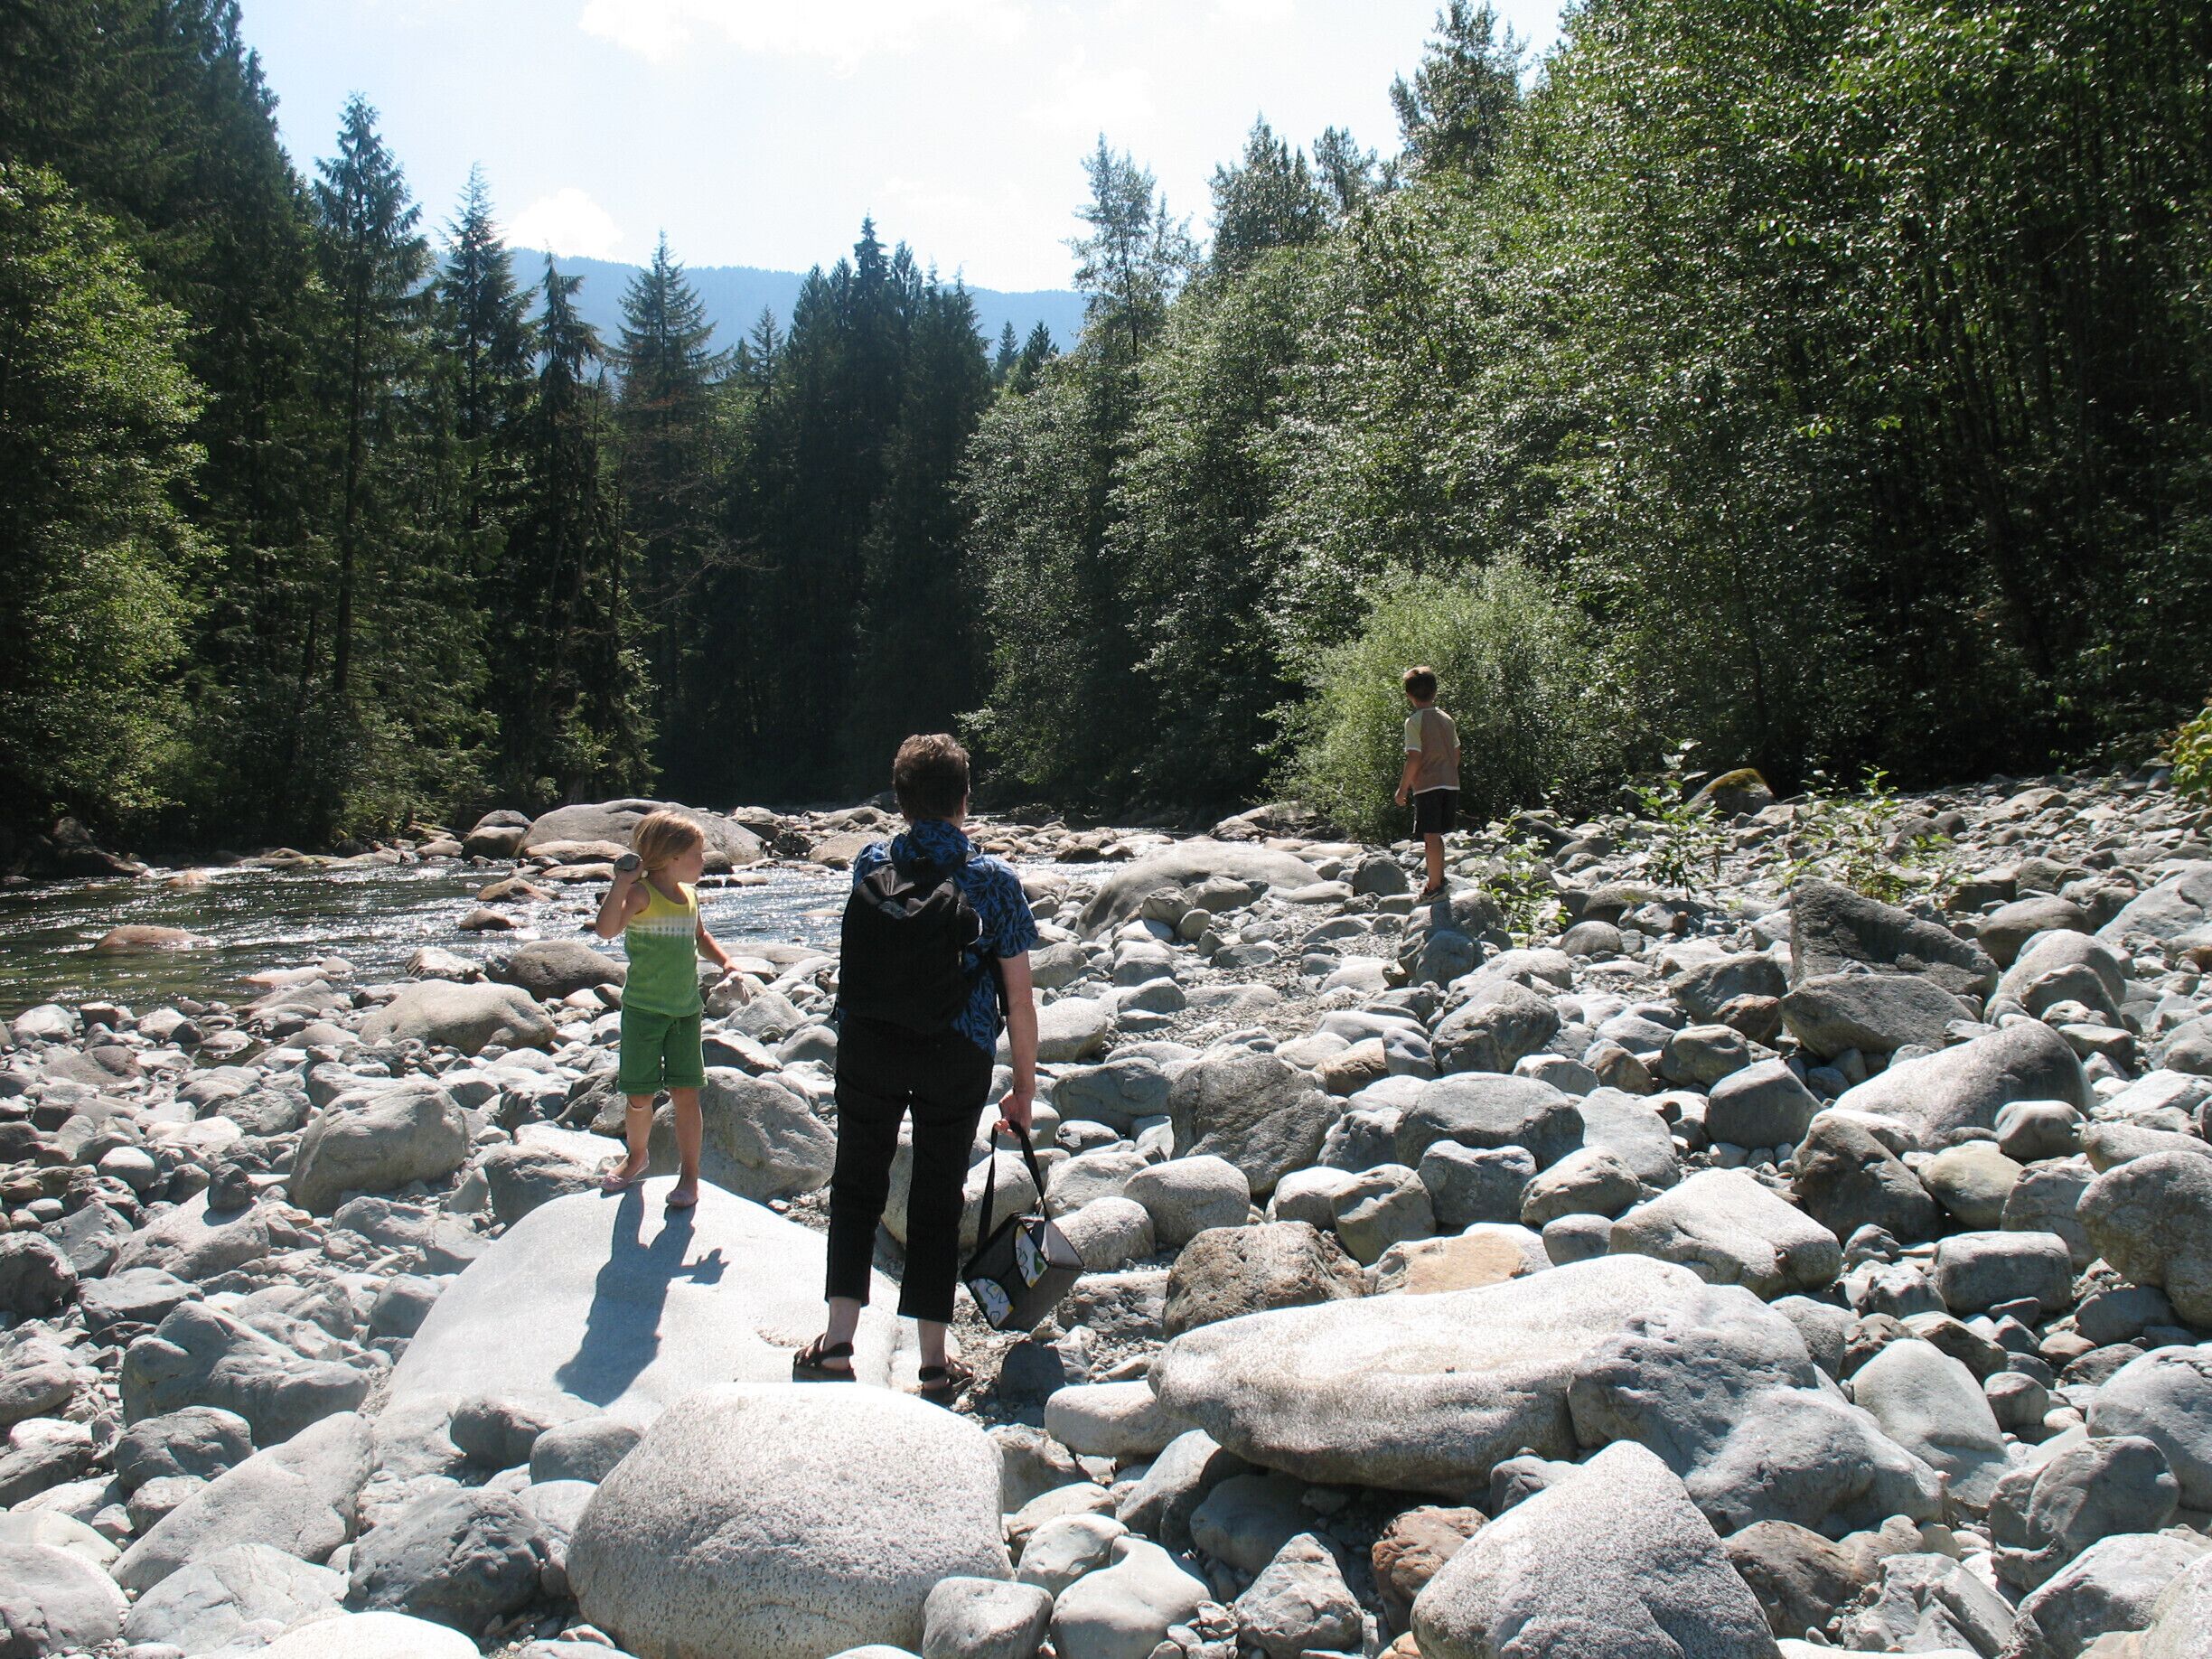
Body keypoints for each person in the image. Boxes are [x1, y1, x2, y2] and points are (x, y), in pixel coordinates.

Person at [793, 733, 1040, 1404]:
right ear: (966, 798)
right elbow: (1018, 999)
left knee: (856, 1184)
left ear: (900, 801)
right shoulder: (993, 881)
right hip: (955, 1053)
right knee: (937, 1195)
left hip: (869, 1043)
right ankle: (933, 1363)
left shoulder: (871, 862)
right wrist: (1022, 1088)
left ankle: (837, 1344)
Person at [590, 810, 751, 1209]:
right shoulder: (642, 894)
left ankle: (690, 1175)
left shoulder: (690, 897)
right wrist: (621, 884)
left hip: (685, 1012)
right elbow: (606, 930)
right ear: (672, 856)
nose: (704, 860)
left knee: (686, 1094)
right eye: (698, 853)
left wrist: (727, 963)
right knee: (640, 1095)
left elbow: (700, 936)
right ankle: (637, 1157)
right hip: (643, 1011)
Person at [1394, 665, 1461, 903]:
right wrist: (1449, 772)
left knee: (1430, 837)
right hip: (1450, 783)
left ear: (1409, 696)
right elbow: (1456, 752)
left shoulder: (1414, 722)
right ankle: (1439, 879)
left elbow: (1414, 757)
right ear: (1435, 692)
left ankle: (1433, 886)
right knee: (1437, 835)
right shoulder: (1446, 719)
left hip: (1428, 785)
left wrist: (1403, 788)